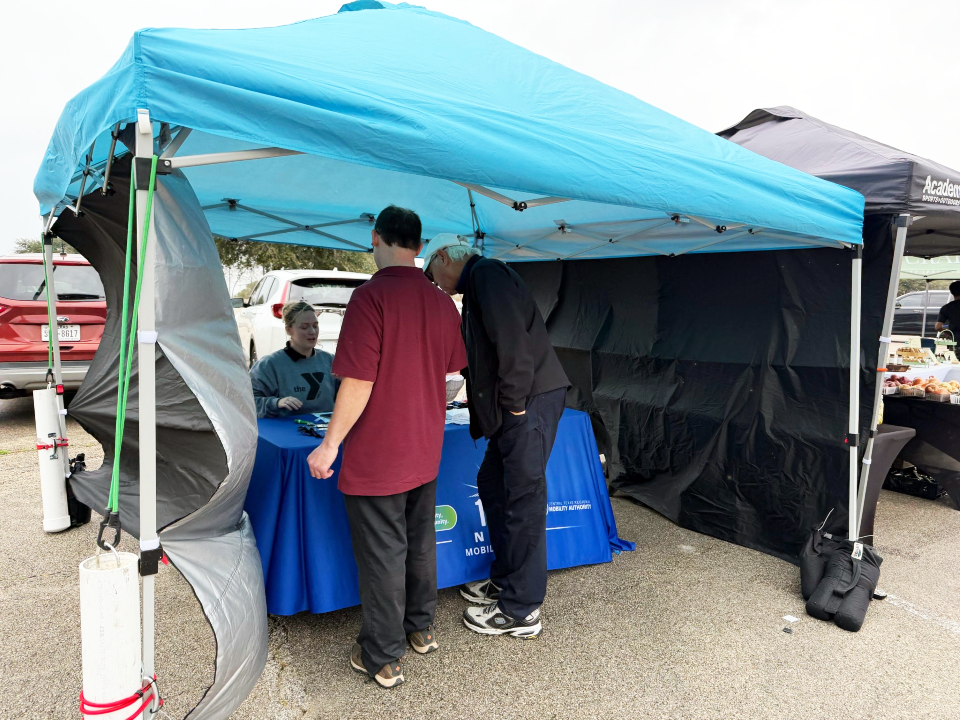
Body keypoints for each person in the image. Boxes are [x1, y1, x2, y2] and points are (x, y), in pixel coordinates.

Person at [306, 207, 466, 689]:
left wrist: (329, 445)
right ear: (419, 247)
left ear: (375, 239)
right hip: (424, 448)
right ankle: (419, 629)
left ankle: (382, 655)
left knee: (383, 555)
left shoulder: (369, 298)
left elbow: (358, 380)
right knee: (418, 545)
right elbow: (450, 374)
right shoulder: (441, 302)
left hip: (378, 454)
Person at [422, 233, 569, 639]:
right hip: (517, 406)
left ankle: (522, 610)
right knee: (493, 485)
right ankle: (506, 580)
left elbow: (513, 347)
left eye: (431, 272)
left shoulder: (487, 275)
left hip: (529, 402)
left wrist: (515, 405)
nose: (434, 282)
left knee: (523, 498)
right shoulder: (477, 284)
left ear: (444, 257)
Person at [249, 301, 336, 418]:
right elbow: (248, 402)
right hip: (287, 432)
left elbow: (350, 397)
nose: (312, 331)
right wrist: (276, 403)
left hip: (327, 431)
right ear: (289, 330)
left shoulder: (330, 361)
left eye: (315, 326)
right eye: (304, 327)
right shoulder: (269, 365)